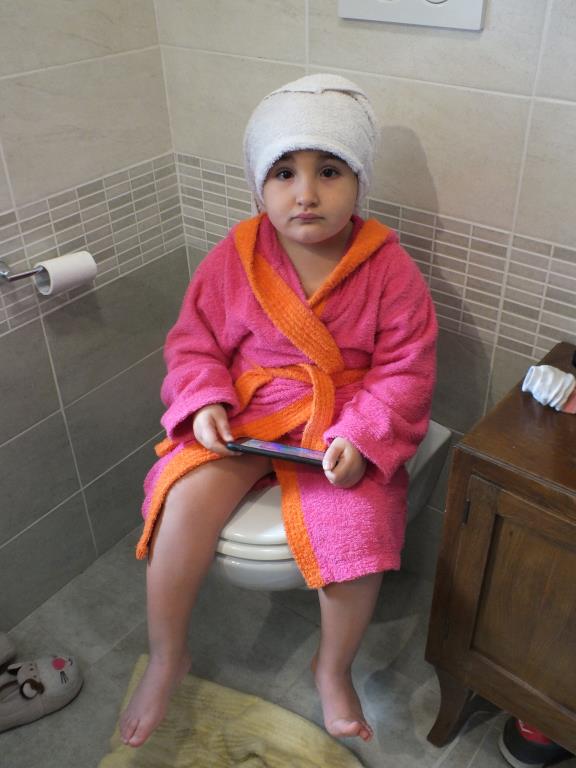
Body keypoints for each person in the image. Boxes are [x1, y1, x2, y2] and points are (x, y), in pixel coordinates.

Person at [119, 73, 438, 748]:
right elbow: (195, 343)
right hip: (252, 412)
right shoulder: (235, 257)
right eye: (285, 172)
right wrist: (204, 400)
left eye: (329, 171)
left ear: (359, 180)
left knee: (357, 531)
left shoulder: (389, 269)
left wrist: (363, 435)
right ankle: (169, 654)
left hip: (342, 421)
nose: (306, 193)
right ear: (258, 184)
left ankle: (332, 667)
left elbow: (405, 369)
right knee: (181, 500)